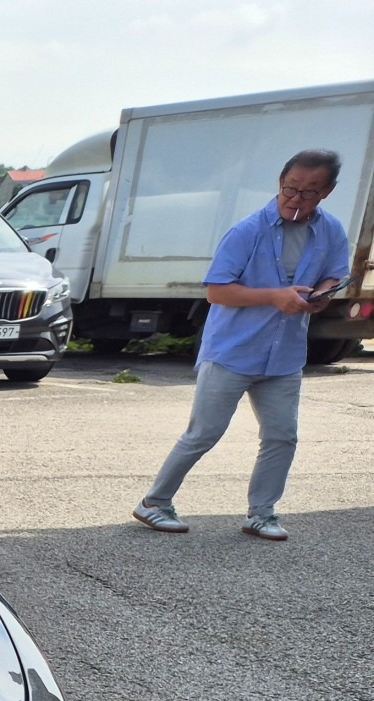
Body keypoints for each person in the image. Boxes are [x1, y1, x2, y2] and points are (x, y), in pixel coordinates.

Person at [132, 149, 351, 542]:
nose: (296, 199)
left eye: (309, 192)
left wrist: (322, 294)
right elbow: (217, 291)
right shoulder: (248, 230)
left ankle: (262, 514)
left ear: (327, 192)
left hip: (284, 355)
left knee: (282, 436)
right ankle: (154, 502)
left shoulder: (331, 230)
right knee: (204, 433)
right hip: (232, 352)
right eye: (290, 189)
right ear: (280, 182)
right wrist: (275, 297)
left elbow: (335, 275)